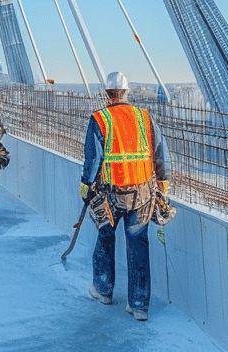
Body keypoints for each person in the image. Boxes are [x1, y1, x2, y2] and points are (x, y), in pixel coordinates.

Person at [79, 71, 171, 320]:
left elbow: (94, 157)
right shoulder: (144, 117)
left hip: (112, 193)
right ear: (127, 93)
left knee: (105, 237)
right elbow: (161, 152)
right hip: (142, 192)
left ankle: (103, 289)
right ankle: (139, 305)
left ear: (107, 94)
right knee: (138, 244)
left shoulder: (100, 119)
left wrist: (86, 184)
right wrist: (163, 181)